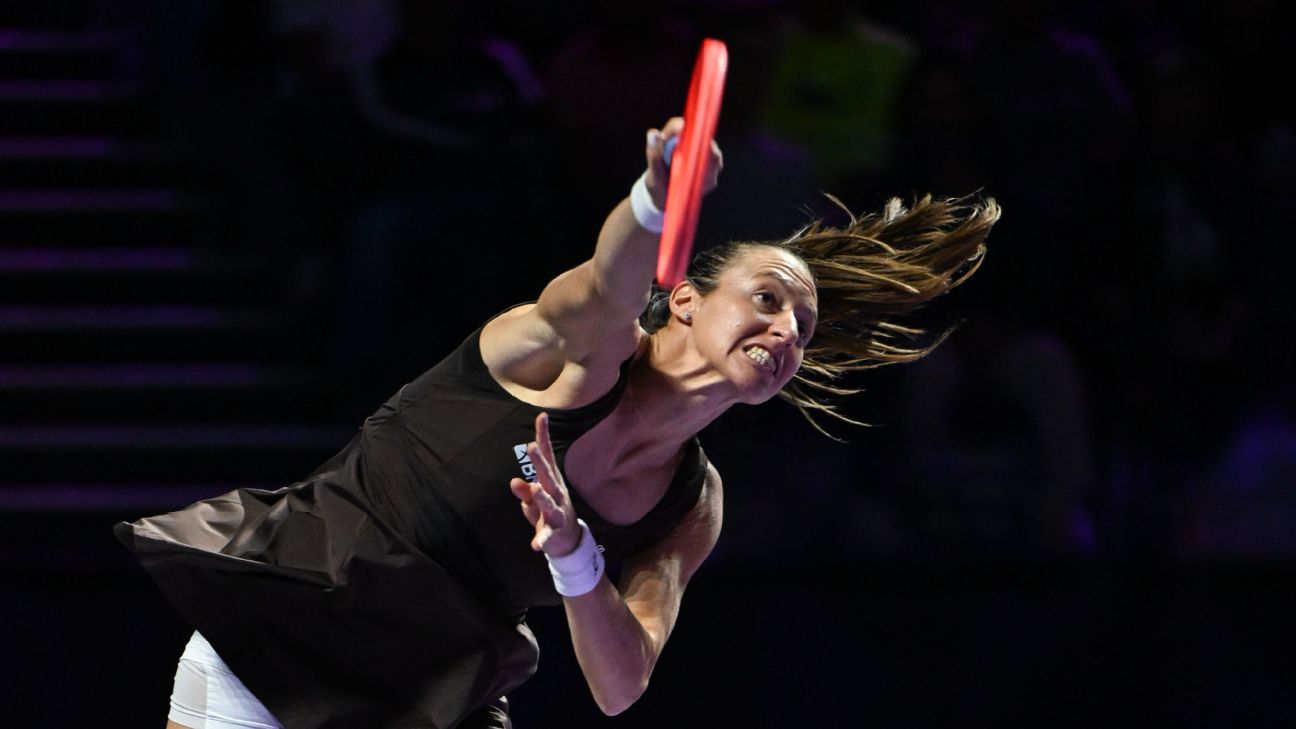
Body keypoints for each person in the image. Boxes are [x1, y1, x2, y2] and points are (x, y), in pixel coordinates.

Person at [117, 117, 1000, 729]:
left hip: (431, 695)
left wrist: (577, 557)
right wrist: (654, 201)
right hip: (289, 631)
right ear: (685, 299)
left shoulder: (693, 503)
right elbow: (609, 282)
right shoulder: (567, 357)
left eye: (801, 330)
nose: (784, 333)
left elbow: (621, 683)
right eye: (767, 300)